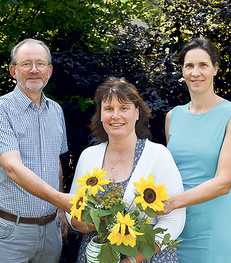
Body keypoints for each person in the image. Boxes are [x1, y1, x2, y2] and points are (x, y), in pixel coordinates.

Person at [66, 77, 186, 263]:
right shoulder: (88, 156)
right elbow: (71, 207)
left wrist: (130, 260)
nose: (116, 116)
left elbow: (173, 221)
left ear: (137, 113)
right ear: (100, 115)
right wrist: (83, 224)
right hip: (96, 256)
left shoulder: (158, 155)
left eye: (124, 108)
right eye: (108, 109)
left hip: (146, 258)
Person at [160, 37, 231, 262]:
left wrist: (171, 203)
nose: (195, 72)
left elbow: (223, 183)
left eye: (203, 65)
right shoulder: (173, 116)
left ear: (215, 69)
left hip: (213, 227)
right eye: (189, 66)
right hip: (175, 226)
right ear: (182, 70)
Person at [0, 38, 73, 263]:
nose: (34, 70)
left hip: (51, 230)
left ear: (49, 71)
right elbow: (13, 168)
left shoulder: (56, 111)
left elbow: (56, 163)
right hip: (11, 232)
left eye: (40, 64)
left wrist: (60, 212)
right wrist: (63, 200)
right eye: (26, 64)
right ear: (13, 70)